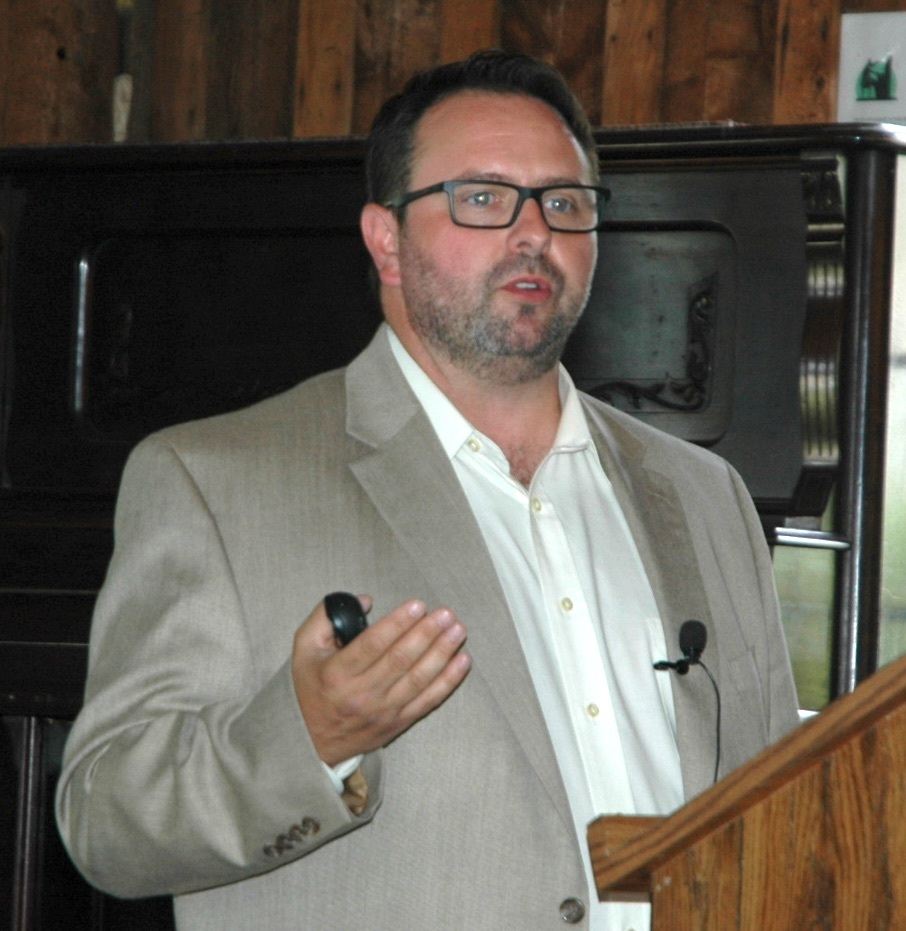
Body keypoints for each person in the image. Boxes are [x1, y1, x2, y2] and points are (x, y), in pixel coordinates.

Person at [56, 50, 799, 930]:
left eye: (564, 203)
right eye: (482, 198)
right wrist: (310, 736)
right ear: (386, 240)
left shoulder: (706, 494)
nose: (534, 234)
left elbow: (779, 811)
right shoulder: (213, 480)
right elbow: (103, 820)